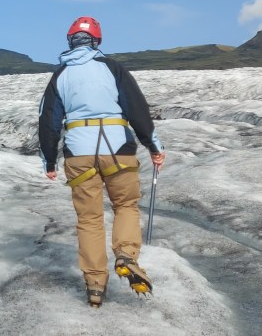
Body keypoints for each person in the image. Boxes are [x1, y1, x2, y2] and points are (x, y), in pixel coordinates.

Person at [38, 16, 166, 308]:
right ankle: (126, 255)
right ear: (97, 41)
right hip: (118, 148)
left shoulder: (60, 76)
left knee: (89, 219)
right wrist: (154, 146)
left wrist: (48, 161)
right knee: (125, 206)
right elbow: (137, 109)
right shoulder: (113, 69)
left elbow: (48, 121)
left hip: (79, 154)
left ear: (70, 41)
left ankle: (95, 284)